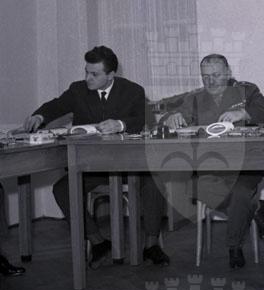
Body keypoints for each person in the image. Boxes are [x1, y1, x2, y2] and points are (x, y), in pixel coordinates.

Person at [23, 46, 169, 268]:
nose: (87, 78)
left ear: (111, 75)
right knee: (62, 189)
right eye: (86, 72)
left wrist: (120, 124)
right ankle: (98, 242)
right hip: (93, 167)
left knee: (153, 181)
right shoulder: (78, 90)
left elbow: (139, 120)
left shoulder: (133, 91)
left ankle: (152, 245)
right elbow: (56, 105)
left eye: (94, 74)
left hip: (129, 164)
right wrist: (39, 115)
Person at [157, 54, 264, 269]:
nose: (210, 81)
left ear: (228, 73)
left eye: (216, 75)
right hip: (209, 168)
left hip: (245, 166)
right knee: (192, 187)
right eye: (205, 76)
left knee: (241, 192)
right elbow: (167, 118)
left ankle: (234, 247)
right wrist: (170, 118)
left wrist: (244, 112)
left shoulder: (246, 91)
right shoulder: (195, 98)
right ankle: (256, 208)